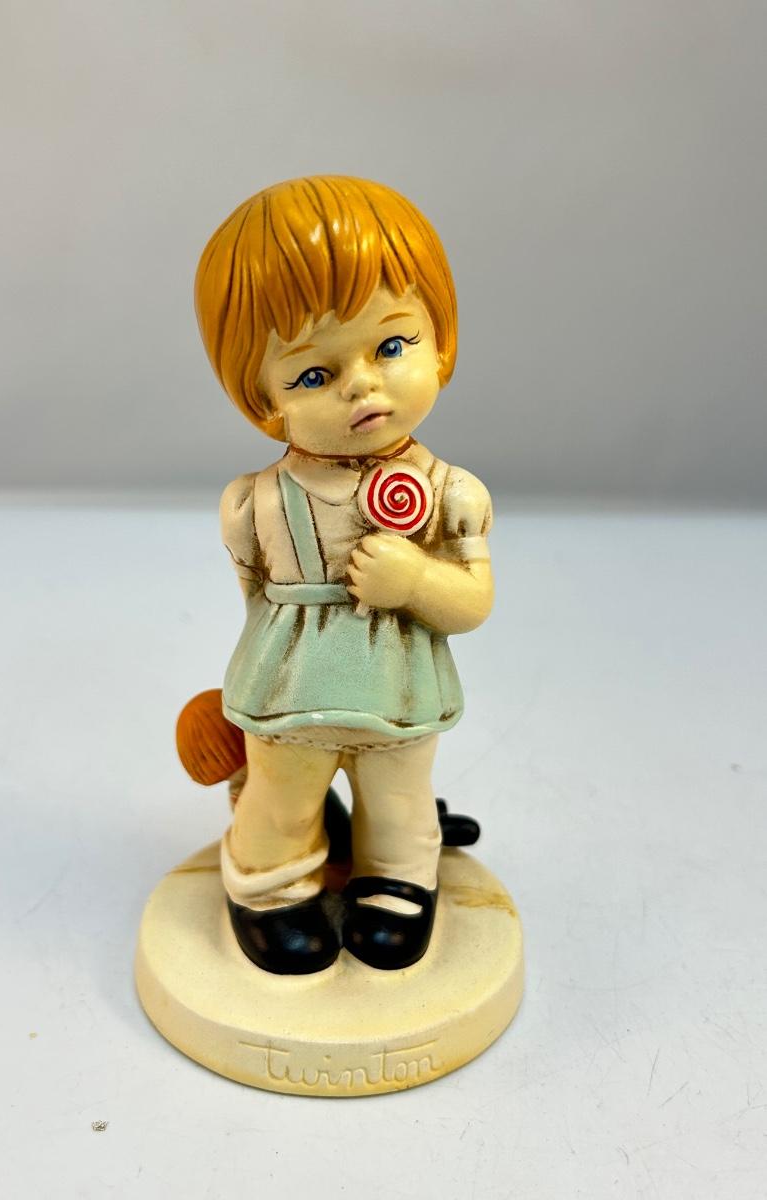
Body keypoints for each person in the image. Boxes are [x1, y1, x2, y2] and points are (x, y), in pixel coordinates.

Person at [193, 176, 494, 974]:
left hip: (400, 681)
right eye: (313, 375)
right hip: (292, 683)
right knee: (281, 793)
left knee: (399, 792)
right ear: (263, 399)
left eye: (392, 346)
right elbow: (256, 595)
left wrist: (417, 584)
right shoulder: (257, 502)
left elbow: (472, 603)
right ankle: (270, 885)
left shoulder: (450, 494)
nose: (362, 384)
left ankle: (397, 876)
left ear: (441, 343)